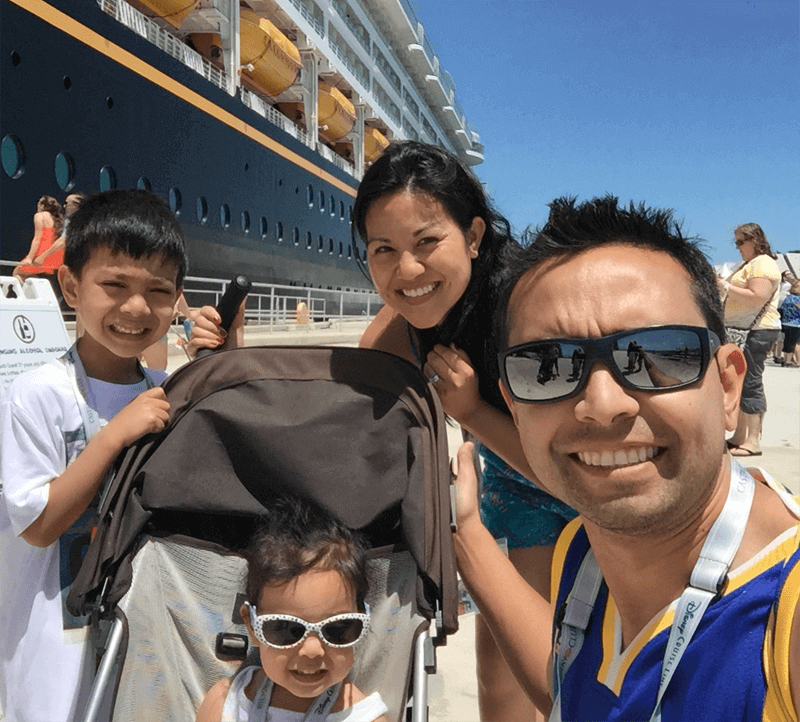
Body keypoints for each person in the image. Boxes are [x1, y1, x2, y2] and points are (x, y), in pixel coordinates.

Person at [188, 141, 575, 721]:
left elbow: (568, 470)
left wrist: (468, 412)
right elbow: (353, 401)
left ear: (472, 235)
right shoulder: (411, 313)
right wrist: (231, 365)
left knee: (555, 682)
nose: (408, 270)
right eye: (383, 250)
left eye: (427, 242)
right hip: (506, 488)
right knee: (503, 693)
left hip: (570, 487)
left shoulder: (526, 309)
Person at [451, 196, 800, 721]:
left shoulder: (784, 616)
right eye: (549, 366)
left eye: (658, 354)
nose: (602, 405)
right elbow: (574, 687)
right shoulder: (583, 550)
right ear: (515, 407)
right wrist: (470, 539)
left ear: (729, 385)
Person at [0, 188, 187, 722]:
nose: (135, 307)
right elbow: (37, 526)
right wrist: (111, 437)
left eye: (157, 291)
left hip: (137, 628)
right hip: (51, 641)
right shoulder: (37, 393)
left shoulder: (168, 391)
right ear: (71, 286)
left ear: (176, 299)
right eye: (114, 285)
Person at [195, 495, 389, 722]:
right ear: (251, 626)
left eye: (337, 628)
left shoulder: (364, 718)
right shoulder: (225, 702)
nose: (312, 650)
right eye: (285, 629)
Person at [718, 223, 782, 457]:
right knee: (739, 382)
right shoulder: (751, 264)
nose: (737, 248)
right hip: (745, 330)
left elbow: (758, 296)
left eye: (740, 242)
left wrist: (724, 286)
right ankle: (740, 436)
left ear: (754, 240)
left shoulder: (763, 264)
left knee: (750, 382)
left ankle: (752, 440)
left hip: (757, 331)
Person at [12, 195, 65, 279]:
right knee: (30, 276)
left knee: (17, 272)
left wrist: (29, 258)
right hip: (54, 257)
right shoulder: (55, 219)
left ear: (42, 206)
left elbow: (37, 239)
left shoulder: (40, 215)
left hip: (41, 254)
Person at [778, 278, 800, 367]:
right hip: (796, 323)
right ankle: (793, 361)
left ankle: (785, 359)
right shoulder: (798, 299)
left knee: (787, 341)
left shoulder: (787, 298)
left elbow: (782, 309)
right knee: (796, 343)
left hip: (785, 322)